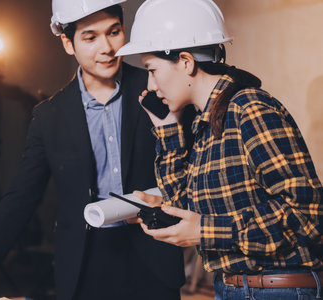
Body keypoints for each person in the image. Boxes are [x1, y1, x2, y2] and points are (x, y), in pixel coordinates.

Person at [0, 1, 185, 300]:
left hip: (153, 256)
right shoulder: (49, 116)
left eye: (114, 32)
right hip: (84, 263)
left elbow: (192, 167)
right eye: (90, 37)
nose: (107, 47)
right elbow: (20, 198)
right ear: (67, 43)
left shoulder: (157, 88)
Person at [116, 0, 323, 299]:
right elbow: (187, 211)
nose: (150, 84)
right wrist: (167, 130)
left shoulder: (249, 109)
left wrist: (205, 231)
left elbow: (308, 215)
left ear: (185, 62)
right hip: (234, 288)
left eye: (152, 69)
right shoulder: (206, 124)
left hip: (277, 289)